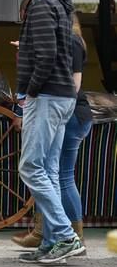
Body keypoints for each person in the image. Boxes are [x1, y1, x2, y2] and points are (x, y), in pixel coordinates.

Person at [15, 0, 84, 264]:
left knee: (30, 166)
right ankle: (53, 242)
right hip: (63, 96)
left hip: (46, 96)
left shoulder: (41, 5)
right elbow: (55, 50)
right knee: (50, 170)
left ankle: (66, 236)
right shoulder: (59, 4)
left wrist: (29, 91)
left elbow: (45, 56)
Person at [12, 13, 93, 249]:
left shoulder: (71, 42)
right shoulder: (72, 42)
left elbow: (74, 86)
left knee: (59, 175)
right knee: (54, 173)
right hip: (74, 112)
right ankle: (51, 237)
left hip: (71, 113)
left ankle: (67, 235)